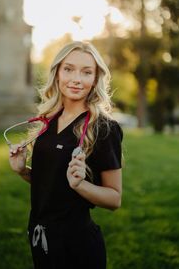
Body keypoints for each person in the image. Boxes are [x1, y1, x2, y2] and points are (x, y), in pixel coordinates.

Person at [8, 41, 123, 269]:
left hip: (77, 246)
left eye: (86, 72)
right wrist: (23, 171)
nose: (77, 79)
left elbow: (114, 199)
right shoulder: (48, 122)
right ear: (57, 73)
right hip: (40, 237)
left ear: (95, 79)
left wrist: (81, 185)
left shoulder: (104, 129)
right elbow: (51, 181)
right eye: (69, 69)